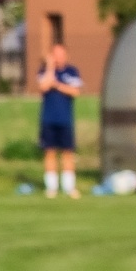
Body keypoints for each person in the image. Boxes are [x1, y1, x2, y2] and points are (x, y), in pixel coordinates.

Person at [37, 43, 82, 199]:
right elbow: (43, 86)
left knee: (67, 152)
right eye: (55, 55)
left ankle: (69, 187)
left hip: (65, 119)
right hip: (48, 118)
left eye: (61, 54)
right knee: (49, 152)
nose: (58, 57)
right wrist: (50, 67)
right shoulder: (44, 71)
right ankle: (51, 188)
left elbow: (75, 91)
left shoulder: (72, 72)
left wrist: (57, 85)